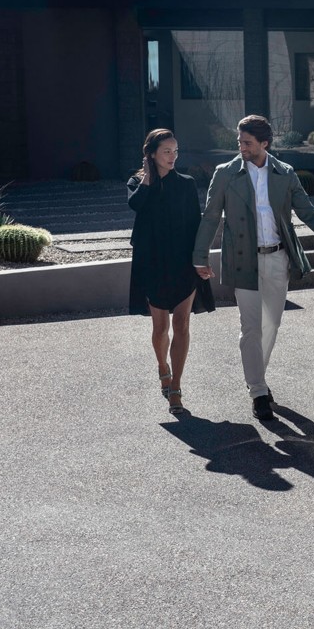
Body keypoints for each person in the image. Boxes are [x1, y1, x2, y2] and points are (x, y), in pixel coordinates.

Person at [192, 115, 314, 423]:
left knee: (271, 325)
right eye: (239, 142)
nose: (241, 147)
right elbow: (209, 217)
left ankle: (254, 376)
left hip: (277, 258)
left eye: (247, 142)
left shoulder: (284, 174)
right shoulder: (225, 174)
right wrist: (200, 256)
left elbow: (307, 211)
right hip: (241, 258)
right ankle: (259, 391)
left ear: (264, 144)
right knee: (251, 327)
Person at [127, 128, 216, 415]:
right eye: (166, 151)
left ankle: (176, 386)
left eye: (175, 151)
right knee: (160, 327)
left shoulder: (187, 184)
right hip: (152, 262)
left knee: (182, 325)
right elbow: (136, 204)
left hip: (182, 263)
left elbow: (196, 223)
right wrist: (149, 178)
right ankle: (162, 367)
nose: (172, 156)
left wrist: (200, 259)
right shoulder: (137, 182)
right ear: (152, 153)